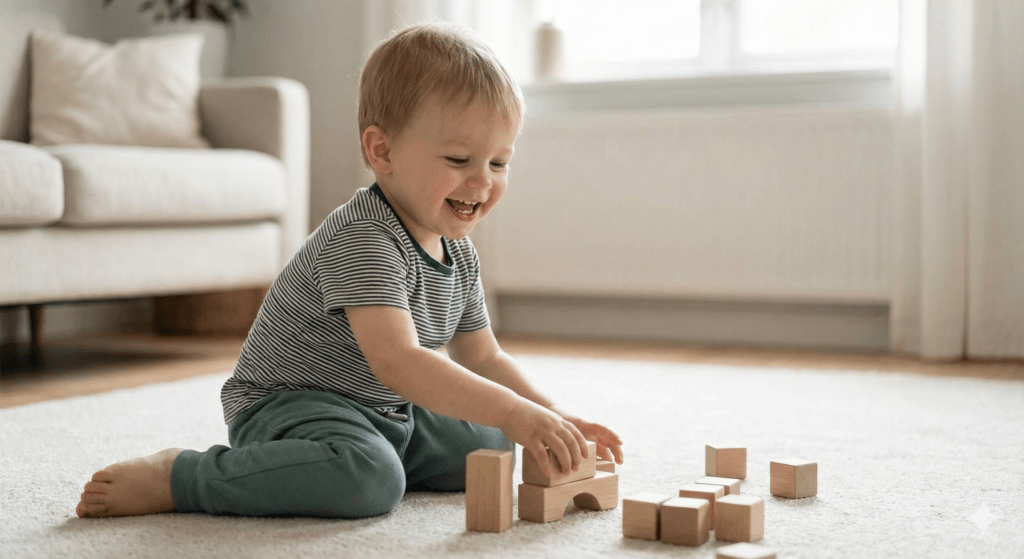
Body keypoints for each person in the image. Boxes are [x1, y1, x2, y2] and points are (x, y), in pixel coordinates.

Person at [76, 23, 623, 519]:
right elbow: (399, 362)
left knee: (497, 440)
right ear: (381, 151)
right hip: (291, 404)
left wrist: (551, 417)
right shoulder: (364, 235)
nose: (482, 183)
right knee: (371, 481)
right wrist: (517, 413)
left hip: (384, 409)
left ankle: (344, 461)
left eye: (498, 163)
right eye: (459, 161)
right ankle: (184, 477)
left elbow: (481, 357)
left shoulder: (458, 252)